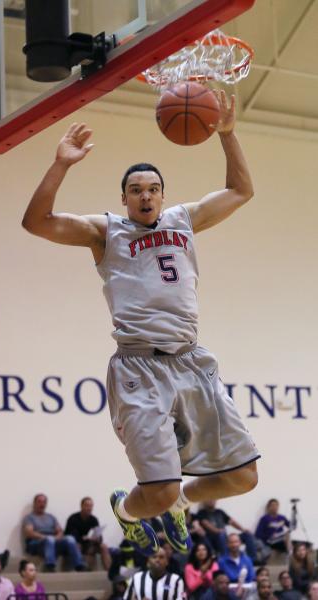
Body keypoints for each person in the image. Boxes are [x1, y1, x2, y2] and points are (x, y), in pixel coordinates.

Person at [22, 93, 259, 556]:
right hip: (138, 368)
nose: (145, 195)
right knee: (159, 491)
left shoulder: (184, 220)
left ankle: (181, 505)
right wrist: (61, 165)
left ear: (163, 195)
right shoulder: (104, 231)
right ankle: (128, 513)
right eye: (136, 190)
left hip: (192, 361)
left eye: (153, 188)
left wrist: (228, 134)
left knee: (244, 477)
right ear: (124, 198)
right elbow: (36, 222)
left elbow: (240, 191)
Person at [23, 493, 86, 572]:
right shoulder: (29, 517)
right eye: (39, 502)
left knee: (70, 538)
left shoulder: (51, 517)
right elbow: (29, 532)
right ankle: (50, 566)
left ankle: (79, 565)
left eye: (44, 502)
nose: (42, 504)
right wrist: (46, 538)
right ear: (34, 503)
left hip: (52, 542)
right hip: (36, 544)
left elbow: (60, 531)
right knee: (50, 539)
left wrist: (56, 538)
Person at [64, 497, 111, 570]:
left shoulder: (94, 519)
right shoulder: (73, 518)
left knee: (104, 547)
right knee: (77, 546)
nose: (89, 508)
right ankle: (81, 569)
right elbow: (68, 535)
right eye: (87, 505)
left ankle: (109, 572)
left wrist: (98, 539)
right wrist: (84, 538)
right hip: (79, 543)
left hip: (91, 544)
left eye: (91, 506)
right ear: (81, 506)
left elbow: (99, 535)